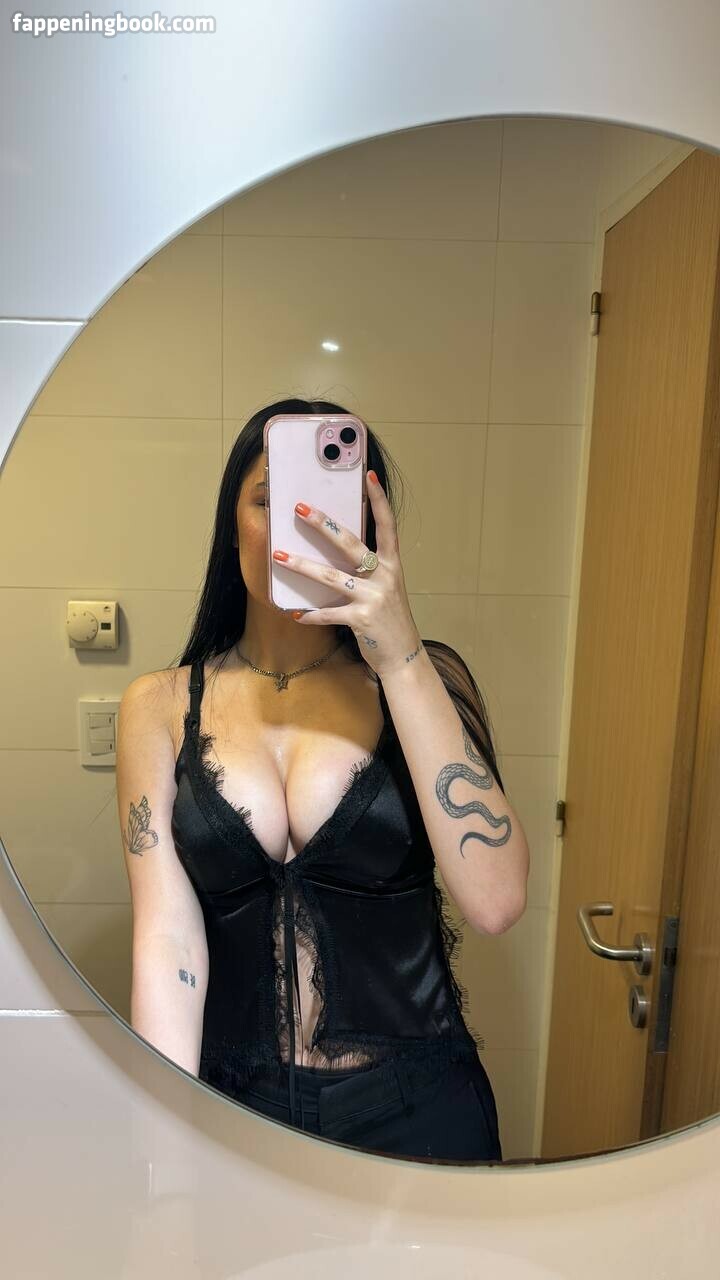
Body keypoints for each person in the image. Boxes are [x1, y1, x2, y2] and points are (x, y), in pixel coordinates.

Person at [117, 397, 528, 1164]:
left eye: (324, 502)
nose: (296, 523)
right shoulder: (160, 706)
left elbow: (497, 901)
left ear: (366, 527)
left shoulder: (423, 681)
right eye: (267, 499)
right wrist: (162, 1154)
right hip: (234, 1109)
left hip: (419, 1111)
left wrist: (400, 653)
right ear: (230, 525)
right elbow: (166, 942)